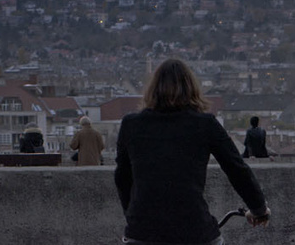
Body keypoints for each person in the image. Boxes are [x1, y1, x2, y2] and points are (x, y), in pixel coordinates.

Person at [115, 59, 270, 244]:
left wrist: (133, 216)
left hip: (142, 232)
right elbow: (236, 169)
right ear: (191, 88)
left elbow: (122, 177)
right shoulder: (205, 124)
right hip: (194, 230)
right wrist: (258, 209)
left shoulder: (131, 124)